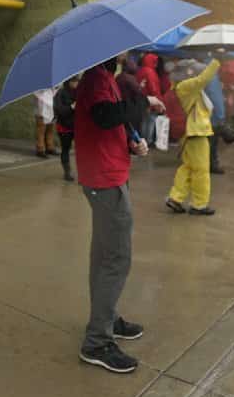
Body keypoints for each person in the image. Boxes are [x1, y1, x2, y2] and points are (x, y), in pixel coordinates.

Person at [75, 57, 149, 374]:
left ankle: (107, 317)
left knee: (103, 254)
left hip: (110, 174)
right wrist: (143, 102)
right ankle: (97, 342)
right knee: (116, 258)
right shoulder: (94, 80)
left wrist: (132, 141)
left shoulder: (105, 79)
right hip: (105, 181)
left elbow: (111, 124)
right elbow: (105, 117)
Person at [165, 56, 222, 216]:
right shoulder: (185, 86)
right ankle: (199, 205)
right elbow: (202, 79)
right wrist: (217, 61)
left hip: (189, 133)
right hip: (196, 132)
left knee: (187, 167)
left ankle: (175, 198)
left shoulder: (177, 87)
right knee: (201, 170)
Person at [54, 76, 79, 182]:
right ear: (69, 82)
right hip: (64, 127)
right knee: (65, 149)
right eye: (74, 81)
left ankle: (83, 173)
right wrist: (71, 107)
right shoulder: (60, 94)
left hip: (76, 126)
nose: (76, 83)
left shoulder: (78, 92)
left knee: (80, 150)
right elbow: (59, 110)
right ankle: (67, 172)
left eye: (77, 81)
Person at [135, 52, 162, 142]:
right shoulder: (150, 72)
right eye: (155, 61)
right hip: (150, 101)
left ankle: (143, 140)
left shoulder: (140, 70)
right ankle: (148, 140)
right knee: (150, 121)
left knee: (144, 121)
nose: (156, 63)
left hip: (142, 100)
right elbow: (153, 88)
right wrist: (158, 102)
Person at [206, 71, 227, 175]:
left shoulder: (196, 73)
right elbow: (215, 97)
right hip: (211, 116)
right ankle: (212, 165)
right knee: (212, 142)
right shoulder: (212, 76)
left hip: (198, 114)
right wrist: (220, 116)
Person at [34, 86, 58, 158]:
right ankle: (40, 149)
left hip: (51, 108)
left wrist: (56, 88)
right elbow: (38, 96)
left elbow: (55, 93)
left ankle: (50, 147)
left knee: (50, 128)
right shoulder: (37, 86)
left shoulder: (52, 84)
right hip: (41, 108)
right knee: (41, 129)